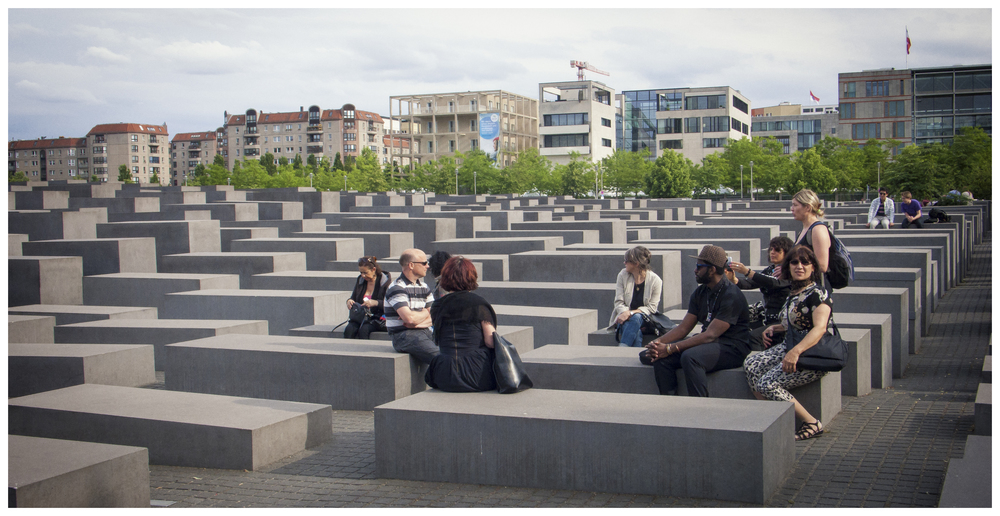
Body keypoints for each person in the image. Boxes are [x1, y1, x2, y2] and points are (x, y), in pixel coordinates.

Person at [744, 245, 833, 441]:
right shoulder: (793, 292)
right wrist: (775, 328)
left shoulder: (818, 294)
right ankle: (770, 418)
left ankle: (811, 422)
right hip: (791, 346)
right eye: (794, 262)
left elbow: (820, 328)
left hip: (812, 353)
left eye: (805, 262)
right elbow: (793, 323)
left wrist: (795, 352)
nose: (799, 266)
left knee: (766, 383)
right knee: (751, 365)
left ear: (813, 268)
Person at [639, 245, 751, 397]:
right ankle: (669, 400)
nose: (695, 270)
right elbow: (684, 328)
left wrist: (670, 348)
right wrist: (657, 344)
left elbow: (710, 335)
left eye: (699, 266)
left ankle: (699, 406)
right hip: (709, 343)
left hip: (732, 347)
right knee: (655, 357)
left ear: (711, 269)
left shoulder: (731, 295)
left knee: (691, 357)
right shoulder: (701, 292)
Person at [424, 256, 498, 392]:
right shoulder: (478, 303)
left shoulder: (437, 305)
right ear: (471, 277)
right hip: (477, 374)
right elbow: (490, 341)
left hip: (445, 374)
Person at [729, 235, 794, 351]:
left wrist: (747, 271)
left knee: (753, 336)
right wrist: (734, 280)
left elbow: (773, 282)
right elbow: (751, 283)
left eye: (777, 250)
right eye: (771, 249)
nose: (772, 253)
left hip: (781, 319)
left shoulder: (789, 272)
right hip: (767, 315)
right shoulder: (770, 270)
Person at [384, 248, 438, 364]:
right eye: (424, 263)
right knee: (439, 357)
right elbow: (409, 319)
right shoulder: (397, 288)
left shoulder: (424, 287)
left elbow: (435, 316)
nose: (427, 266)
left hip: (426, 331)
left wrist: (416, 323)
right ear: (411, 265)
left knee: (454, 351)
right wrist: (424, 312)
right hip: (404, 336)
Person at [610, 246, 664, 347]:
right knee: (636, 332)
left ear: (636, 263)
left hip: (646, 319)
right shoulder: (622, 275)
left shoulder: (656, 281)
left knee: (637, 317)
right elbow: (619, 302)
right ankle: (632, 354)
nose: (624, 263)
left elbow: (652, 308)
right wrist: (625, 313)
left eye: (626, 261)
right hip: (623, 318)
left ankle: (622, 349)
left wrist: (629, 313)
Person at [791, 189, 832, 289]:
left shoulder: (818, 229)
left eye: (795, 205)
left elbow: (822, 265)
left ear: (807, 208)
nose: (792, 209)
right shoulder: (805, 229)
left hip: (815, 291)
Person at [343, 256, 391, 339]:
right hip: (361, 315)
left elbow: (390, 304)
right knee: (349, 329)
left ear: (373, 270)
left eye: (365, 272)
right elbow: (353, 297)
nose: (363, 275)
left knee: (364, 330)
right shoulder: (360, 280)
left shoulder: (384, 283)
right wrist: (349, 301)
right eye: (361, 272)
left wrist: (375, 303)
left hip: (377, 317)